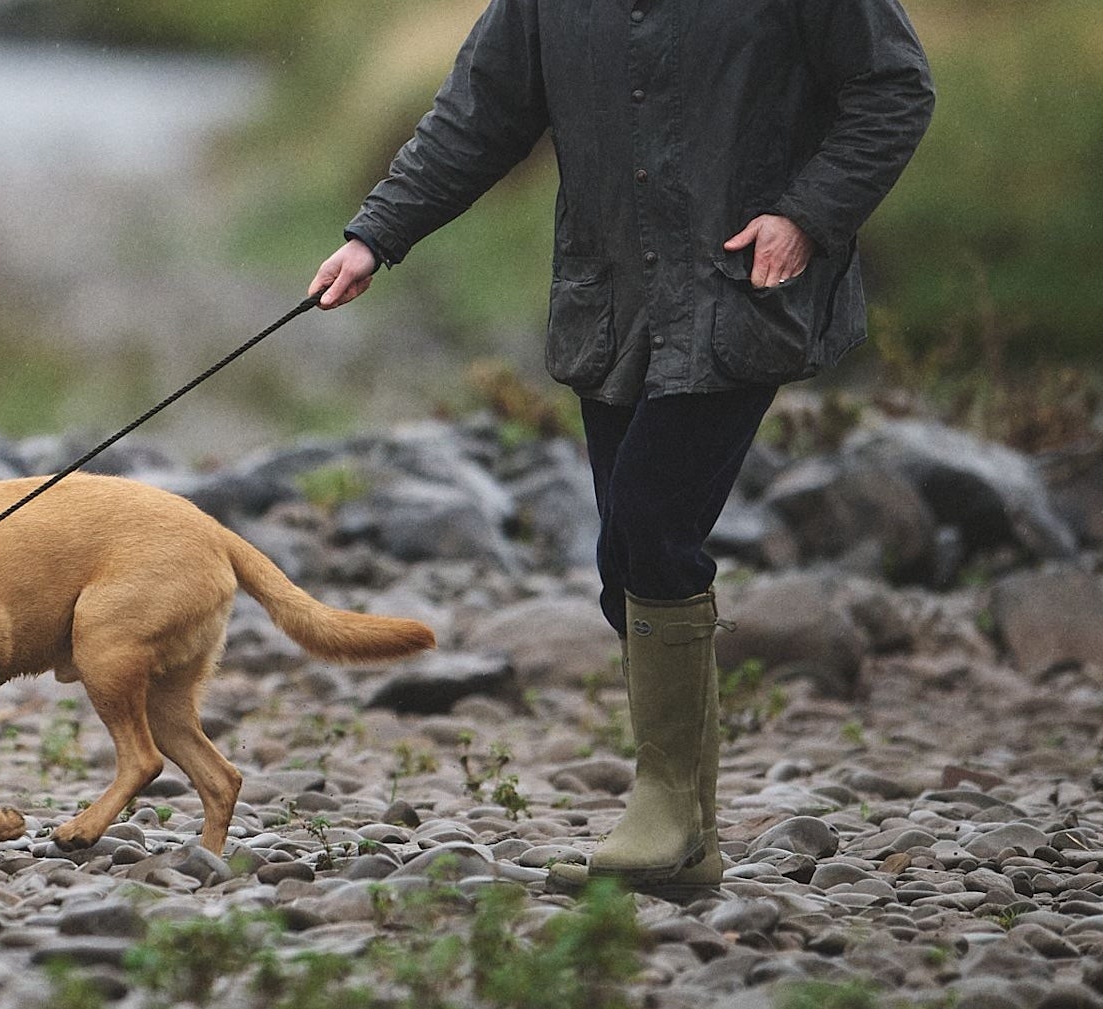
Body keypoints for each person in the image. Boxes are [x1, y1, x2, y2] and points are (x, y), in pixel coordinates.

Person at [305, 0, 932, 889]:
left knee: (652, 519)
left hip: (740, 295)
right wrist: (377, 234)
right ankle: (690, 840)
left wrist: (807, 215)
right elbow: (480, 114)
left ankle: (665, 803)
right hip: (614, 305)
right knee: (623, 557)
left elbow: (894, 89)